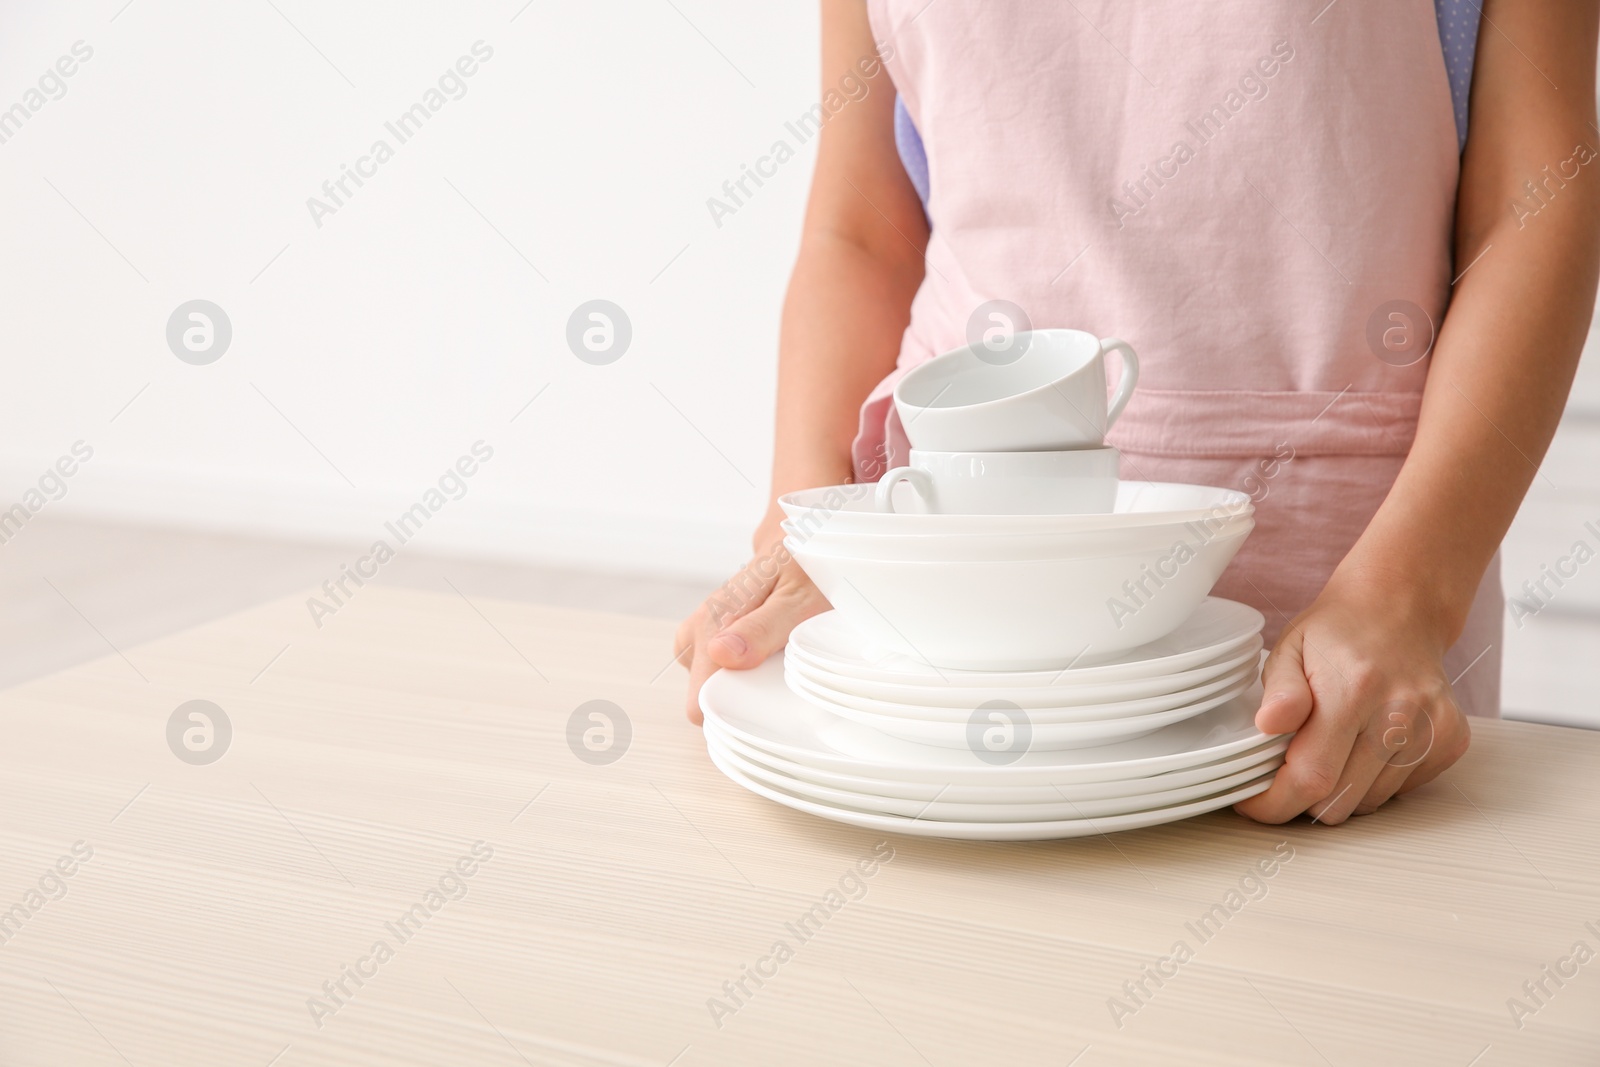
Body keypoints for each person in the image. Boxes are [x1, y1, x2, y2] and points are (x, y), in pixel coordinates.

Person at [675, 0, 1600, 825]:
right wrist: (811, 520)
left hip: (1355, 589)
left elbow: (1540, 201)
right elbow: (861, 232)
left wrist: (1406, 598)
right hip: (933, 562)